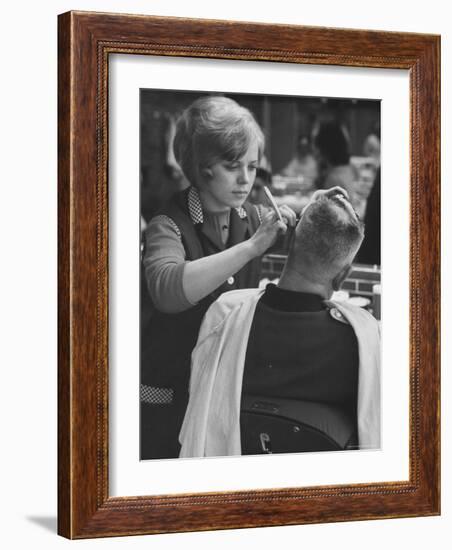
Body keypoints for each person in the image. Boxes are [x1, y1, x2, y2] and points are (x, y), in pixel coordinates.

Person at [141, 95, 296, 459]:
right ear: (201, 166)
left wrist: (309, 219)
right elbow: (166, 288)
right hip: (167, 398)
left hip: (218, 394)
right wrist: (251, 248)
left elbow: (301, 238)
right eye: (232, 166)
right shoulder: (168, 224)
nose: (245, 179)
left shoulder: (252, 218)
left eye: (252, 167)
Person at [179, 186, 380, 457]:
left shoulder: (224, 318)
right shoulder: (364, 342)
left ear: (288, 244)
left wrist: (311, 216)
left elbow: (197, 411)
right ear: (343, 276)